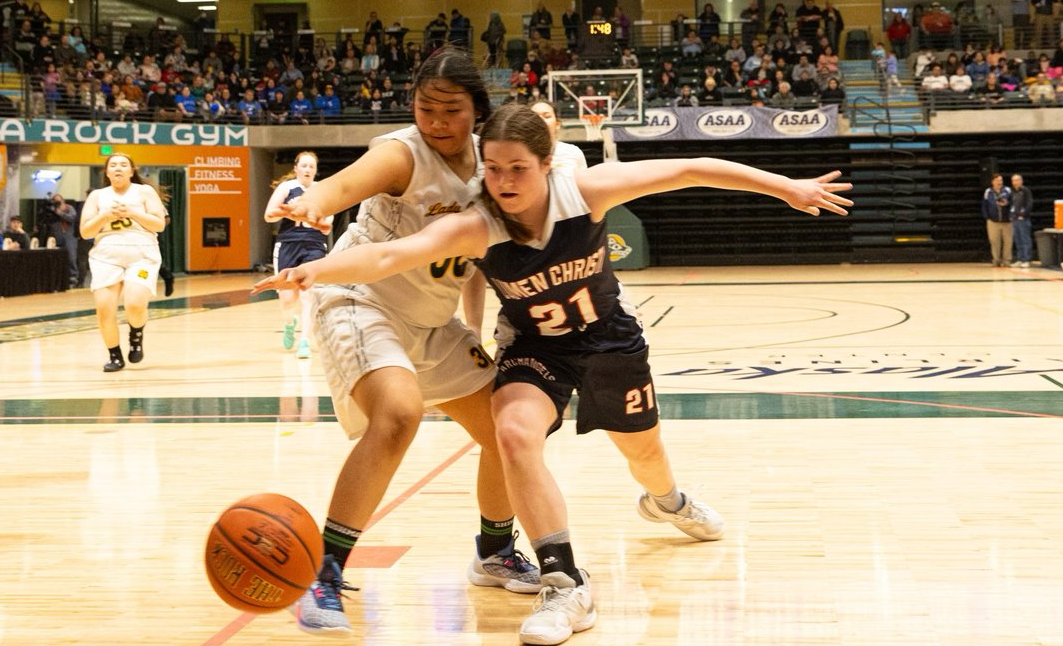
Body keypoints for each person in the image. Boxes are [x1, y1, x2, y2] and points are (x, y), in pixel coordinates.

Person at [257, 103, 852, 644]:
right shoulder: (478, 223)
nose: (503, 182)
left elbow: (690, 167)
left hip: (608, 339)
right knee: (514, 432)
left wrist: (785, 187)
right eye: (491, 169)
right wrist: (315, 270)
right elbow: (389, 255)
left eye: (517, 168)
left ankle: (668, 500)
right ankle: (564, 583)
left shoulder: (584, 191)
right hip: (535, 346)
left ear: (547, 165)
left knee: (643, 453)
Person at [249, 48, 540, 635]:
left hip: (431, 324)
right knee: (399, 415)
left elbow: (479, 265)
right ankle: (325, 574)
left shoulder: (494, 167)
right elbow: (344, 184)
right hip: (362, 299)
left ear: (477, 112)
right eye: (424, 107)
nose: (435, 121)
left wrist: (481, 328)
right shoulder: (403, 152)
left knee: (508, 427)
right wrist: (316, 202)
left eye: (450, 110)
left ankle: (493, 550)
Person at [78, 154, 167, 372]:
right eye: (113, 165)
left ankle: (136, 334)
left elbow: (159, 225)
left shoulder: (144, 192)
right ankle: (115, 355)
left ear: (131, 171)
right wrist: (104, 216)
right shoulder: (98, 196)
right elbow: (85, 231)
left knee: (135, 304)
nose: (118, 168)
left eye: (123, 165)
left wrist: (132, 212)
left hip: (141, 255)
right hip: (106, 256)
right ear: (107, 172)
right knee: (104, 309)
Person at [264, 151, 332, 359]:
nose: (308, 170)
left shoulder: (323, 190)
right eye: (304, 166)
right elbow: (268, 216)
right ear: (296, 168)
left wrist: (312, 219)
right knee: (287, 299)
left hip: (313, 244)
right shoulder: (287, 188)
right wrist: (290, 211)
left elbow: (327, 227)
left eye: (311, 166)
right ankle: (289, 324)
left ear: (316, 170)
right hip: (288, 244)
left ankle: (304, 341)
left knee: (308, 294)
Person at [530, 100, 588, 175]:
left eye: (546, 116)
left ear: (557, 124)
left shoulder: (573, 152)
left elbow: (582, 185)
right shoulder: (520, 153)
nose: (541, 120)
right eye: (535, 117)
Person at [981, 173, 1013, 268]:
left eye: (1001, 180)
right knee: (994, 242)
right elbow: (984, 205)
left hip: (1007, 221)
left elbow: (1014, 202)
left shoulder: (1007, 191)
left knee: (1008, 242)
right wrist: (987, 217)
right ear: (993, 182)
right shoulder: (988, 192)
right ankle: (996, 260)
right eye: (997, 180)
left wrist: (1007, 204)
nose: (999, 182)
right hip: (993, 222)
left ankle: (1007, 261)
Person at [49, 193, 79, 286]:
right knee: (58, 257)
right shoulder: (52, 210)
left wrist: (60, 213)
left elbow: (72, 218)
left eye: (58, 200)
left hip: (69, 236)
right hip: (57, 236)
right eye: (55, 200)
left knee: (71, 257)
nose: (57, 202)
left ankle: (73, 277)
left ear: (63, 200)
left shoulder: (69, 208)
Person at [1009, 173, 1034, 268]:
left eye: (1017, 180)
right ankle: (1020, 258)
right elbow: (1011, 204)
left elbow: (1029, 203)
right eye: (1013, 180)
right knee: (1017, 239)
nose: (1015, 182)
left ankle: (1026, 259)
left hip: (1023, 219)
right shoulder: (1012, 192)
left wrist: (1023, 214)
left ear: (1021, 181)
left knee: (1025, 239)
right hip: (1014, 219)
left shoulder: (1025, 191)